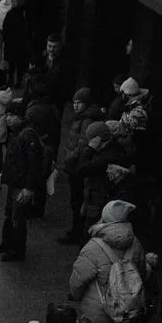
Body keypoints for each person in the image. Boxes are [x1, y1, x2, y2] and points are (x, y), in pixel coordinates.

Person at [67, 199, 150, 323]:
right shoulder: (135, 244)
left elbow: (78, 280)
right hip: (125, 310)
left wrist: (77, 296)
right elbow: (142, 274)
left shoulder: (94, 246)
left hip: (97, 310)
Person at [0, 104, 49, 261]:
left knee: (18, 217)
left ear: (20, 117)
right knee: (10, 213)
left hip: (21, 184)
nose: (8, 118)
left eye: (11, 115)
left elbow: (33, 163)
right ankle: (7, 243)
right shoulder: (17, 133)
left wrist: (29, 188)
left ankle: (17, 250)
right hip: (14, 181)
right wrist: (4, 174)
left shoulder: (26, 135)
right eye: (7, 115)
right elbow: (14, 158)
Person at [55, 88, 105, 245]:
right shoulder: (85, 117)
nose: (75, 106)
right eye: (74, 103)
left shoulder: (86, 121)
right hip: (75, 165)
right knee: (77, 201)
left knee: (77, 201)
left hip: (77, 167)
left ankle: (77, 233)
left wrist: (68, 160)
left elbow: (81, 144)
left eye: (79, 103)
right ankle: (77, 231)